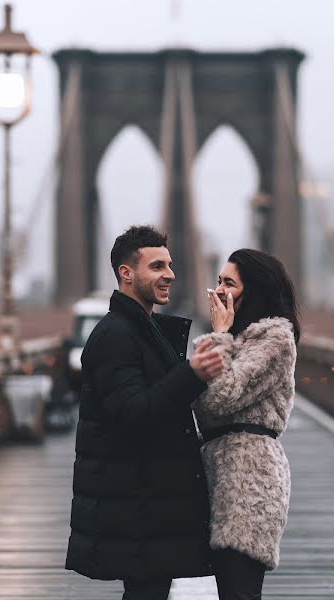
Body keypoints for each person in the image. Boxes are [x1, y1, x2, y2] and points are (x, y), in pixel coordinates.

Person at [65, 225, 224, 600]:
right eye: (157, 266)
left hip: (149, 503)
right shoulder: (115, 337)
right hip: (137, 505)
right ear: (126, 273)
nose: (170, 274)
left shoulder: (143, 330)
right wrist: (192, 374)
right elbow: (134, 413)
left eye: (169, 265)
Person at [192, 248, 300, 600]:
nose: (218, 290)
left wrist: (219, 334)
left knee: (240, 591)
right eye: (218, 280)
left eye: (229, 283)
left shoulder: (275, 339)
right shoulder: (239, 341)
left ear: (252, 290)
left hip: (250, 481)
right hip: (220, 477)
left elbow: (223, 395)